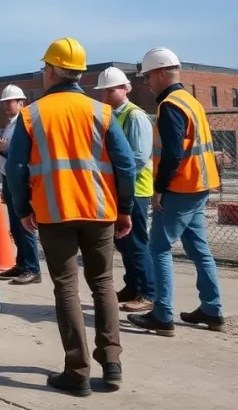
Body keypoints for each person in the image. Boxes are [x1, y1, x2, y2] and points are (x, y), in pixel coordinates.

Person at [6, 37, 137, 397]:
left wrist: (23, 210)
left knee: (66, 287)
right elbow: (125, 165)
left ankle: (76, 371)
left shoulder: (32, 115)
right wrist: (124, 209)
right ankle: (112, 364)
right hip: (99, 212)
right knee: (103, 284)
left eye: (44, 68)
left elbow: (16, 169)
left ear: (51, 71)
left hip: (54, 211)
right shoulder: (102, 112)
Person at [128, 48, 224, 337]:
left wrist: (160, 188)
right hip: (199, 186)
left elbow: (172, 153)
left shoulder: (170, 105)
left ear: (160, 73)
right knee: (199, 250)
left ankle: (162, 314)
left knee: (158, 248)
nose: (147, 82)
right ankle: (212, 309)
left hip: (180, 188)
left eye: (147, 77)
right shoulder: (190, 101)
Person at [95, 67, 154, 313]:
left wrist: (117, 175)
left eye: (111, 89)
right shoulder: (110, 115)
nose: (106, 94)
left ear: (125, 89)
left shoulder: (135, 116)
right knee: (124, 243)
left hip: (136, 189)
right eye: (104, 91)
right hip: (118, 189)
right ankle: (132, 286)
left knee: (137, 242)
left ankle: (148, 293)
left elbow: (139, 158)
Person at [0, 84, 42, 286]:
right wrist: (3, 149)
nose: (6, 106)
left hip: (22, 180)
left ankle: (32, 267)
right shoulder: (11, 123)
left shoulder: (26, 123)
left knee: (25, 225)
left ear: (21, 103)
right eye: (4, 102)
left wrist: (6, 148)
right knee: (15, 225)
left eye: (9, 102)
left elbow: (25, 153)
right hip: (9, 177)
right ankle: (22, 263)